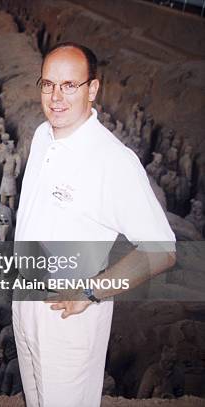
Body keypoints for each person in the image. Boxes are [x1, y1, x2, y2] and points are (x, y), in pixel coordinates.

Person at [13, 42, 176, 407]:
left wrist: (92, 291)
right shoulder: (43, 136)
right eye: (48, 84)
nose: (56, 96)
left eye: (69, 85)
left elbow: (162, 250)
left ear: (93, 89)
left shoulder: (113, 161)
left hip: (68, 315)